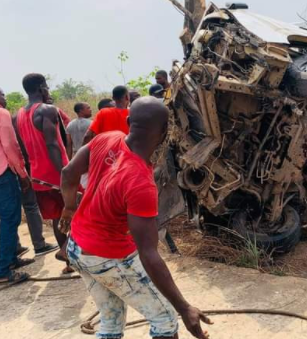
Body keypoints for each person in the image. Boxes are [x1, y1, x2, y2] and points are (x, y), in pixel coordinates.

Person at [61, 97, 212, 339]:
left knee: (111, 321)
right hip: (106, 255)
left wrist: (69, 208)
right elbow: (149, 254)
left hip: (76, 248)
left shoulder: (105, 138)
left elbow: (68, 173)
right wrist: (184, 308)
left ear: (129, 121)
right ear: (164, 132)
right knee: (165, 318)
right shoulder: (140, 182)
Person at [16, 73, 71, 273]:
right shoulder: (47, 110)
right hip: (57, 173)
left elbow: (22, 148)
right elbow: (52, 144)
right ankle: (68, 251)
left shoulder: (18, 115)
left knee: (58, 216)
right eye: (46, 86)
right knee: (76, 210)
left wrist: (28, 175)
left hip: (38, 176)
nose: (48, 90)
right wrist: (65, 173)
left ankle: (69, 260)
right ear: (41, 87)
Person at [0, 88, 34, 284]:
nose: (5, 98)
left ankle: (10, 260)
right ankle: (4, 270)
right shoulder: (2, 114)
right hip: (4, 173)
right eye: (2, 94)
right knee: (10, 219)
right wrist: (22, 173)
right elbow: (10, 146)